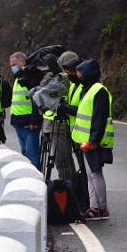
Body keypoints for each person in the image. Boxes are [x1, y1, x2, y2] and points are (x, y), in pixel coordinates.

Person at [71, 58, 114, 221]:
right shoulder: (88, 90)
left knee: (95, 173)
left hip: (92, 140)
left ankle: (102, 208)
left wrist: (94, 140)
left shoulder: (98, 91)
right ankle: (94, 207)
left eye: (80, 73)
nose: (78, 76)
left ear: (88, 74)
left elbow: (99, 118)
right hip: (85, 139)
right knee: (90, 174)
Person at [40, 51, 80, 180]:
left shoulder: (64, 78)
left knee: (62, 162)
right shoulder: (79, 78)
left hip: (60, 125)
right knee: (72, 161)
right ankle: (75, 190)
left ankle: (69, 191)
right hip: (70, 124)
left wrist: (55, 74)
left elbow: (44, 94)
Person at [9, 52, 42, 166]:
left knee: (32, 154)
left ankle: (36, 182)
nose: (12, 67)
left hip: (29, 122)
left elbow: (37, 99)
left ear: (22, 62)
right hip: (18, 121)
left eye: (14, 64)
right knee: (24, 154)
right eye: (11, 65)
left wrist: (34, 120)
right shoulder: (18, 78)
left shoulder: (30, 76)